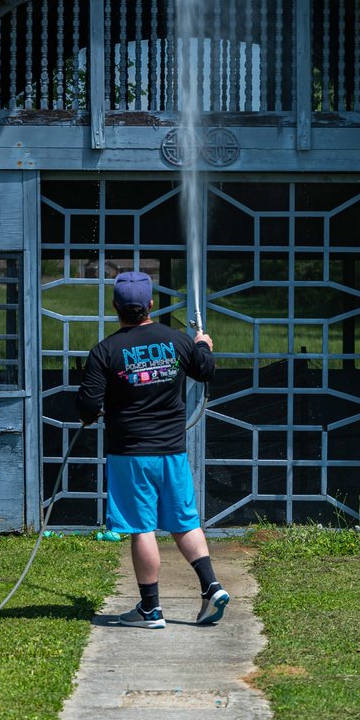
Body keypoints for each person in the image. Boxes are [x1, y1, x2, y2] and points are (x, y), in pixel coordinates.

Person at [75, 269, 228, 629]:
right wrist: (202, 343)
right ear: (150, 305)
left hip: (130, 454)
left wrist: (100, 407)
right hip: (172, 451)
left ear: (115, 306)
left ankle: (150, 610)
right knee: (184, 522)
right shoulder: (175, 340)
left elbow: (86, 405)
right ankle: (211, 586)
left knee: (142, 528)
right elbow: (205, 370)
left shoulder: (105, 351)